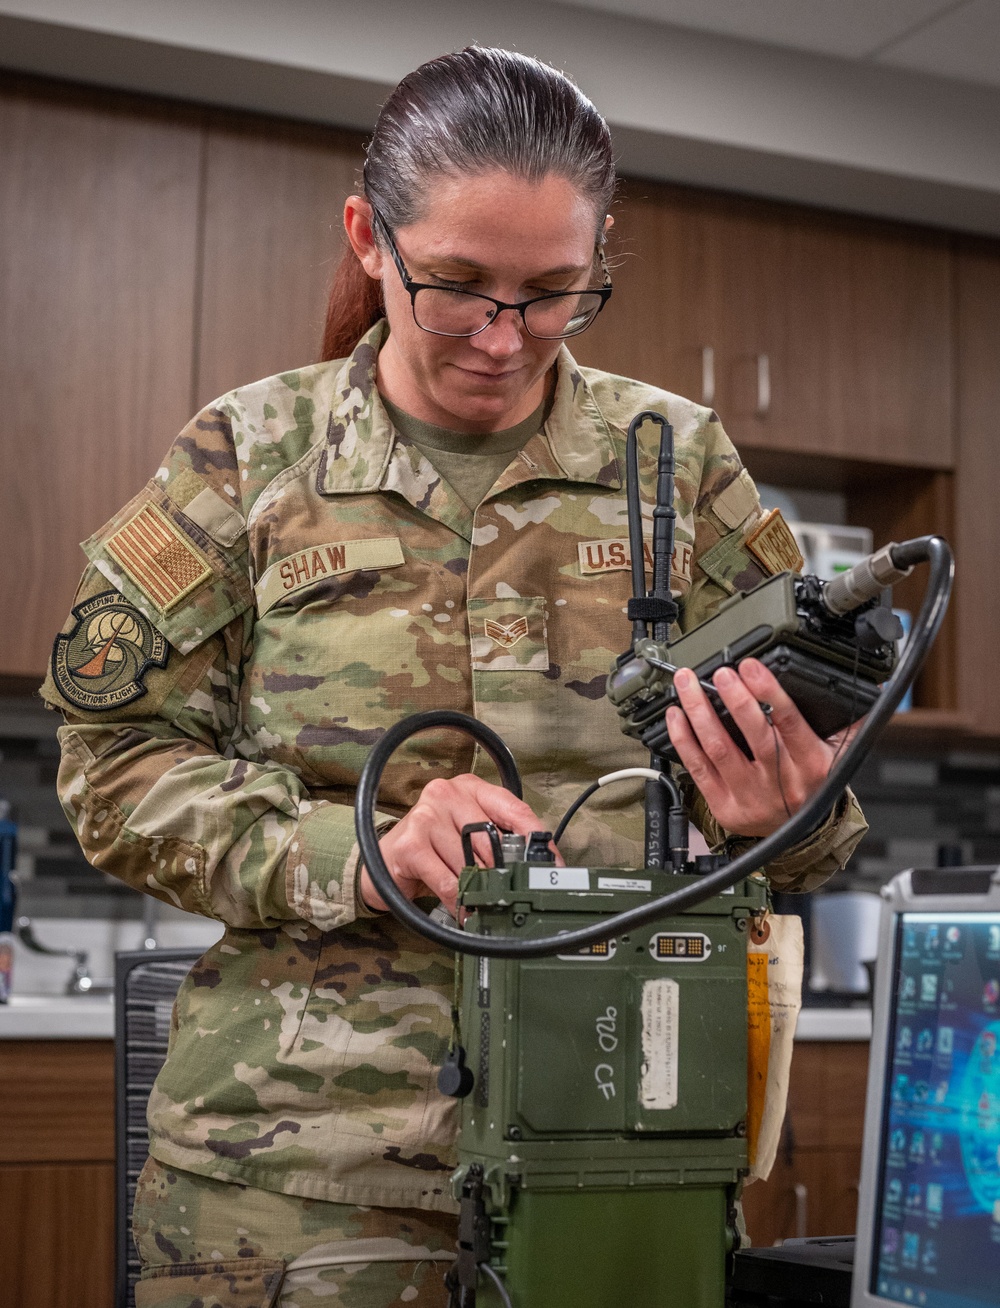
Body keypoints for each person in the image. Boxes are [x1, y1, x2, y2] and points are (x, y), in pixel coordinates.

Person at [41, 46, 867, 1308]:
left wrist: (783, 814)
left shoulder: (676, 464)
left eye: (552, 294)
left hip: (617, 1150)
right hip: (297, 1181)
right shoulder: (248, 458)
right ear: (370, 239)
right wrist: (363, 847)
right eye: (458, 287)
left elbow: (818, 811)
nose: (503, 337)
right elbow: (113, 770)